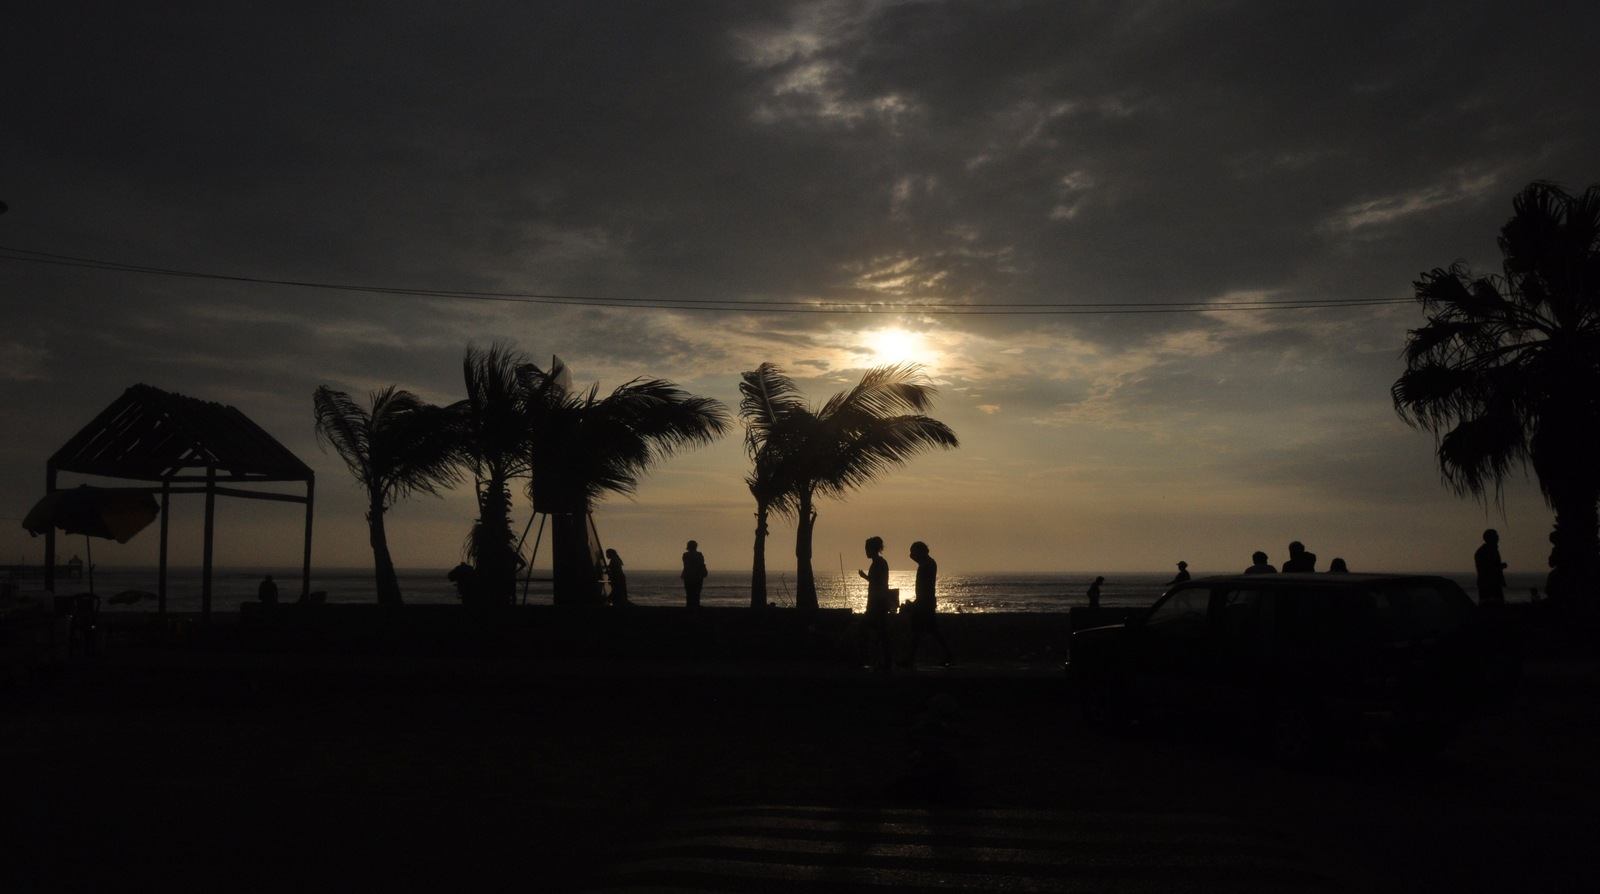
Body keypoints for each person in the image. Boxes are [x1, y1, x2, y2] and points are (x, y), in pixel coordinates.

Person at [901, 541, 953, 668]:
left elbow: (925, 588)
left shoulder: (927, 565)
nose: (911, 556)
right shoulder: (927, 564)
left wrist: (915, 604)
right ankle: (948, 655)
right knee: (929, 632)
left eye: (913, 552)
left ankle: (910, 660)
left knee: (919, 633)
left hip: (925, 604)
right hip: (925, 602)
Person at [857, 536, 893, 671]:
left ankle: (880, 661)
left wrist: (865, 576)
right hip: (878, 602)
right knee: (881, 633)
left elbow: (877, 582)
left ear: (873, 549)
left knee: (873, 632)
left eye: (867, 549)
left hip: (877, 603)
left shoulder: (879, 563)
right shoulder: (879, 563)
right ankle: (883, 661)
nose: (866, 551)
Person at [1475, 529, 1507, 605]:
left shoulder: (1490, 550)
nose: (1498, 537)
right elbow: (1487, 568)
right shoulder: (1486, 551)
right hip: (1489, 584)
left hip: (1491, 583)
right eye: (1495, 536)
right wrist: (1500, 567)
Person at [681, 540, 708, 609]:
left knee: (689, 592)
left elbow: (686, 565)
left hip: (688, 576)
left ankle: (689, 605)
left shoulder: (685, 555)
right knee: (696, 591)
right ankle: (696, 605)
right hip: (697, 576)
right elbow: (701, 564)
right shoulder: (699, 555)